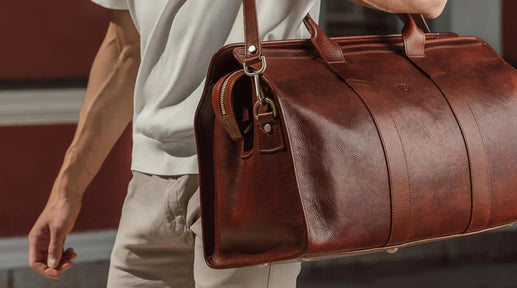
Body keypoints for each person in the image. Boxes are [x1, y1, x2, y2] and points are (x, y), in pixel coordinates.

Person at [27, 0, 447, 287]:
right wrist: (66, 189)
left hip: (251, 173)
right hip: (149, 186)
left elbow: (429, 3)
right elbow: (123, 49)